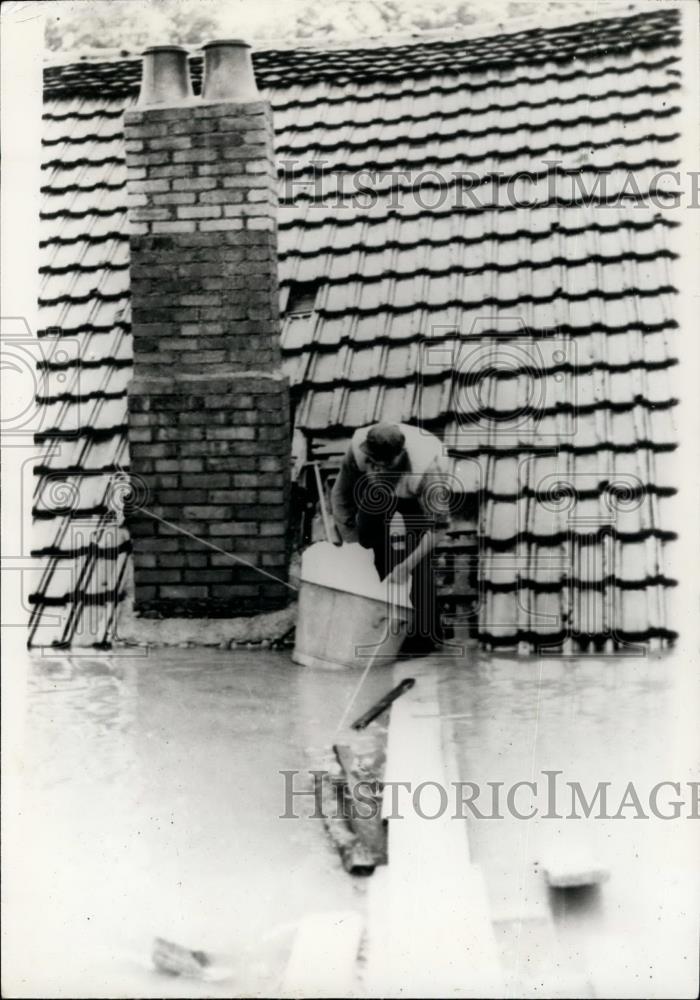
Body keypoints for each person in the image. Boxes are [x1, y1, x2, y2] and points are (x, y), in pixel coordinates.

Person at [330, 421, 450, 652]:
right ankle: (375, 629)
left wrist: (406, 565)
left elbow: (439, 528)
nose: (377, 469)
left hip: (415, 499)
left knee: (418, 567)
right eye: (373, 463)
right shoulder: (357, 451)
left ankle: (423, 639)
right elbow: (340, 496)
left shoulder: (427, 471)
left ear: (399, 457)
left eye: (384, 464)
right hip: (375, 497)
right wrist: (353, 545)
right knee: (369, 550)